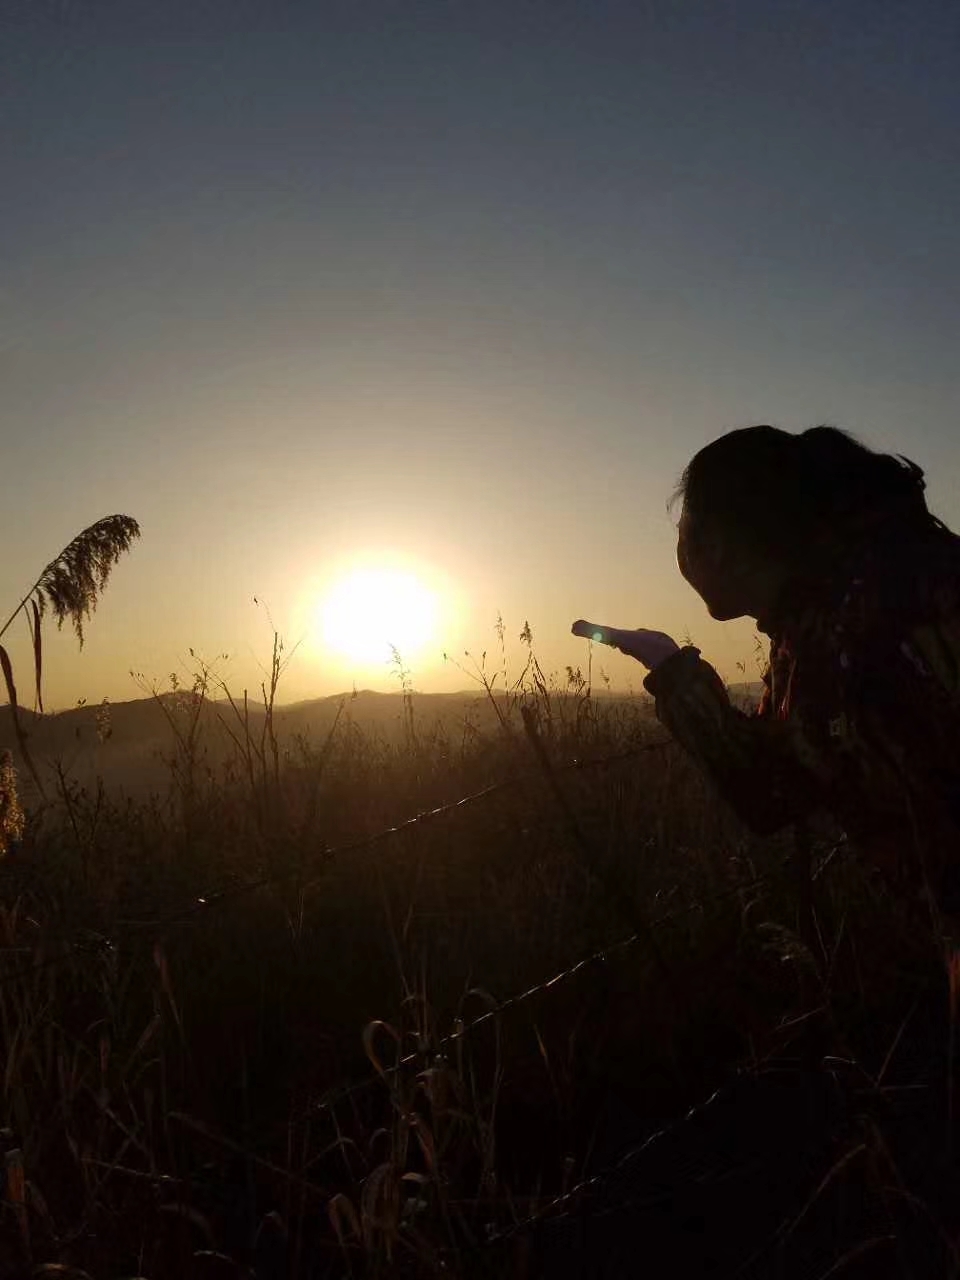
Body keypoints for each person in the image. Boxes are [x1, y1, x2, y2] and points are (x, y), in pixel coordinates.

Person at [573, 424, 960, 929]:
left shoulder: (864, 621)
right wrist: (672, 672)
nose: (680, 555)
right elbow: (785, 778)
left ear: (719, 544)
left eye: (682, 532)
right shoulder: (827, 616)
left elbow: (781, 790)